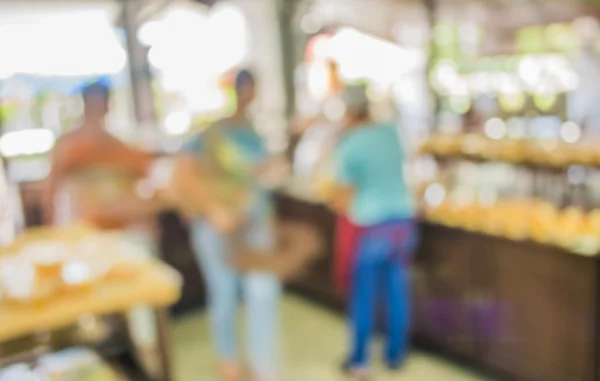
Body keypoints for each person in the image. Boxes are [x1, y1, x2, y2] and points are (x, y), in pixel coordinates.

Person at [180, 70, 282, 381]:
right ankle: (229, 364)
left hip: (253, 226)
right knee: (223, 291)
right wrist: (214, 211)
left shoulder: (253, 133)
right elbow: (183, 175)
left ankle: (263, 368)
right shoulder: (213, 133)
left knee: (262, 293)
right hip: (218, 228)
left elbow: (257, 178)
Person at [322, 85, 418, 380]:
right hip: (403, 224)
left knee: (362, 296)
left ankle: (359, 361)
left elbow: (341, 196)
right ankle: (396, 355)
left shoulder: (351, 144)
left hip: (372, 229)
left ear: (349, 112)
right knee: (397, 290)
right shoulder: (390, 133)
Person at [44, 81, 158, 229]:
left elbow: (145, 176)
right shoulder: (68, 146)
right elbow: (51, 190)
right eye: (94, 101)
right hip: (81, 225)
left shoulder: (120, 146)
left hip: (115, 227)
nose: (97, 106)